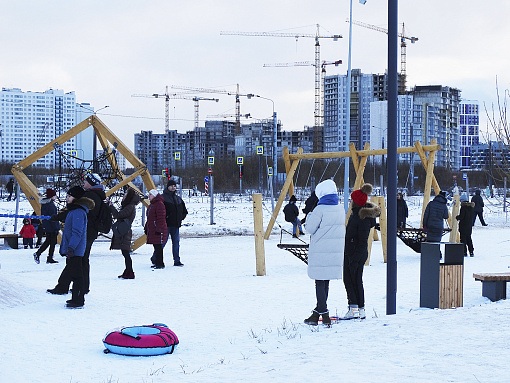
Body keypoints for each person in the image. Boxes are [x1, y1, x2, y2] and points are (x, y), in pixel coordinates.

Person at [47, 173, 105, 295]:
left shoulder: (89, 196)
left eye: (86, 181)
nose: (84, 183)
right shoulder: (98, 195)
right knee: (79, 260)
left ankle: (71, 287)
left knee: (76, 260)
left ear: (91, 183)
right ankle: (77, 287)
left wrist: (57, 217)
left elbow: (74, 211)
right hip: (90, 231)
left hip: (84, 232)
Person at [303, 179, 345, 326]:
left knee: (319, 282)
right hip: (334, 251)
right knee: (324, 282)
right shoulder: (340, 208)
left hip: (321, 250)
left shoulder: (319, 210)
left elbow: (309, 228)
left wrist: (309, 215)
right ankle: (316, 315)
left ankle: (324, 314)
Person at [342, 183, 380, 320]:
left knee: (351, 280)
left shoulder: (360, 218)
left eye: (352, 200)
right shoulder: (361, 216)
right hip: (357, 252)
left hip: (354, 253)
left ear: (356, 202)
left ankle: (354, 308)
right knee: (356, 280)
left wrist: (351, 253)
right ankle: (360, 308)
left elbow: (358, 238)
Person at [59, 186, 94, 308]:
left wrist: (71, 248)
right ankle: (76, 297)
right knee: (75, 274)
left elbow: (77, 232)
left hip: (75, 250)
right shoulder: (74, 210)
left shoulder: (78, 212)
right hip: (73, 249)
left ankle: (78, 300)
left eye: (69, 196)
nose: (67, 198)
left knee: (78, 276)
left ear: (76, 198)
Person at [109, 187, 140, 279]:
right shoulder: (129, 206)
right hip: (124, 230)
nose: (123, 196)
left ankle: (129, 272)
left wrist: (111, 206)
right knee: (125, 252)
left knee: (126, 253)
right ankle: (128, 271)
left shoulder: (130, 206)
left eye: (126, 195)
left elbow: (119, 215)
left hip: (124, 232)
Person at [162, 179, 188, 267]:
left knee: (176, 243)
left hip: (176, 225)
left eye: (174, 186)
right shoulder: (163, 198)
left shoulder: (178, 199)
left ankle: (177, 260)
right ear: (168, 187)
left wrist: (180, 218)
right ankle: (156, 258)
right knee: (162, 243)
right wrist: (166, 218)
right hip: (166, 225)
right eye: (171, 186)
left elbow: (184, 211)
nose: (173, 187)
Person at [33, 188, 60, 264]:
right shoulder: (50, 205)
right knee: (52, 242)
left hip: (47, 226)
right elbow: (53, 217)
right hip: (52, 227)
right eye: (54, 195)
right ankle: (48, 257)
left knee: (48, 241)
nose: (56, 197)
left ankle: (40, 254)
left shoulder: (45, 204)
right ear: (52, 196)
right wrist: (56, 228)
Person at [145, 189, 168, 269]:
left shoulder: (159, 204)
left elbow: (161, 218)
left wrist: (159, 229)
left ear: (154, 195)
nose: (149, 196)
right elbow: (150, 217)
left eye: (150, 195)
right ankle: (157, 262)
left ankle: (160, 263)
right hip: (153, 228)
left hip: (157, 229)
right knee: (156, 246)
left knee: (158, 246)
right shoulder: (153, 204)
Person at [456, 192, 475, 257]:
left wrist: (457, 217)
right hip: (469, 226)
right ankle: (471, 251)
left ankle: (464, 252)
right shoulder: (471, 208)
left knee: (463, 239)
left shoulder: (463, 207)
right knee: (469, 238)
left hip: (463, 226)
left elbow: (462, 217)